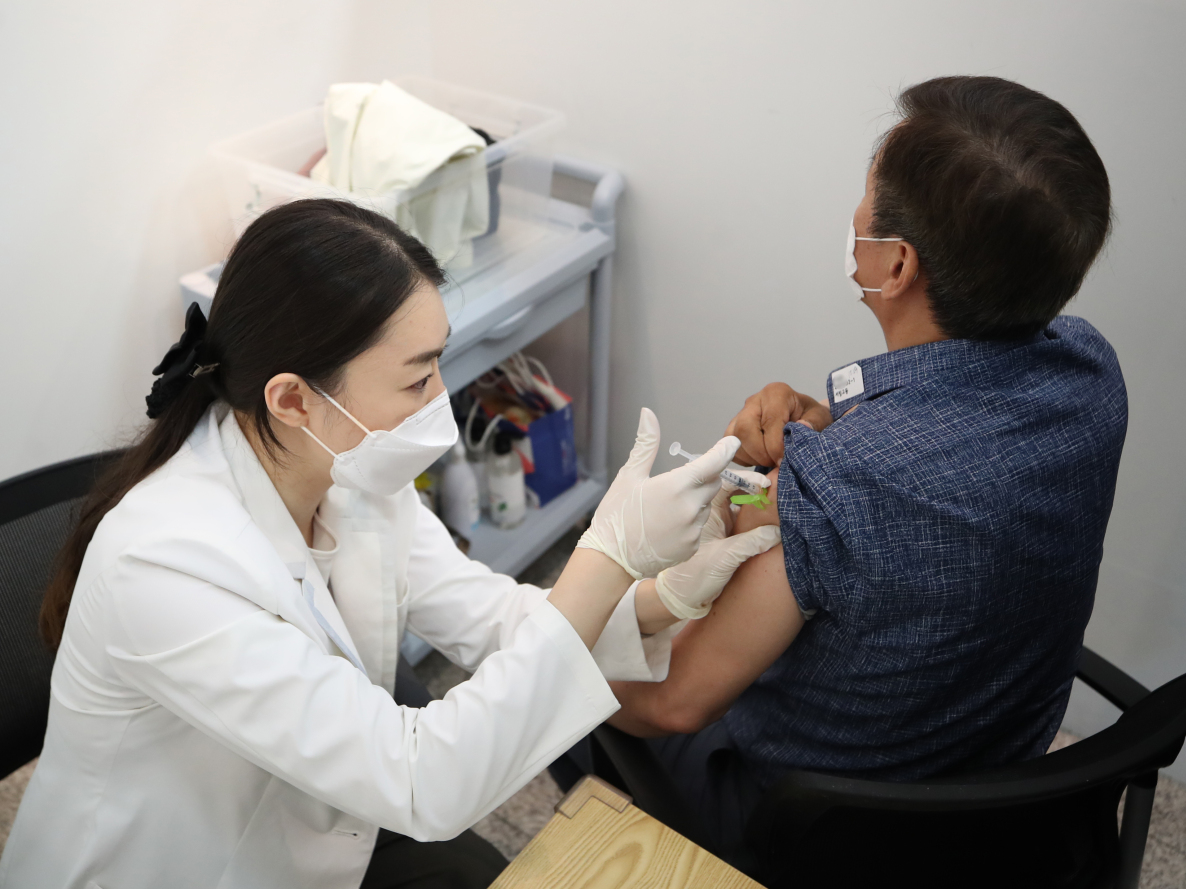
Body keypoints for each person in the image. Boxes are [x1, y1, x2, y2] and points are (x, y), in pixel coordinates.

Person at [0, 199, 780, 889]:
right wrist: (604, 554)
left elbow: (490, 617)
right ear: (293, 398)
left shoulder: (343, 471)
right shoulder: (165, 565)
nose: (441, 399)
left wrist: (652, 595)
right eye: (416, 379)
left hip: (320, 828)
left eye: (438, 360)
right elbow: (421, 777)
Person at [603, 75, 1129, 867]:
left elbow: (676, 701)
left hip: (821, 831)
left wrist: (543, 648)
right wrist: (821, 429)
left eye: (866, 195)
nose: (855, 213)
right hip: (1004, 794)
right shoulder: (1092, 373)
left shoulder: (841, 485)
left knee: (569, 707)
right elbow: (946, 469)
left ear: (894, 263)